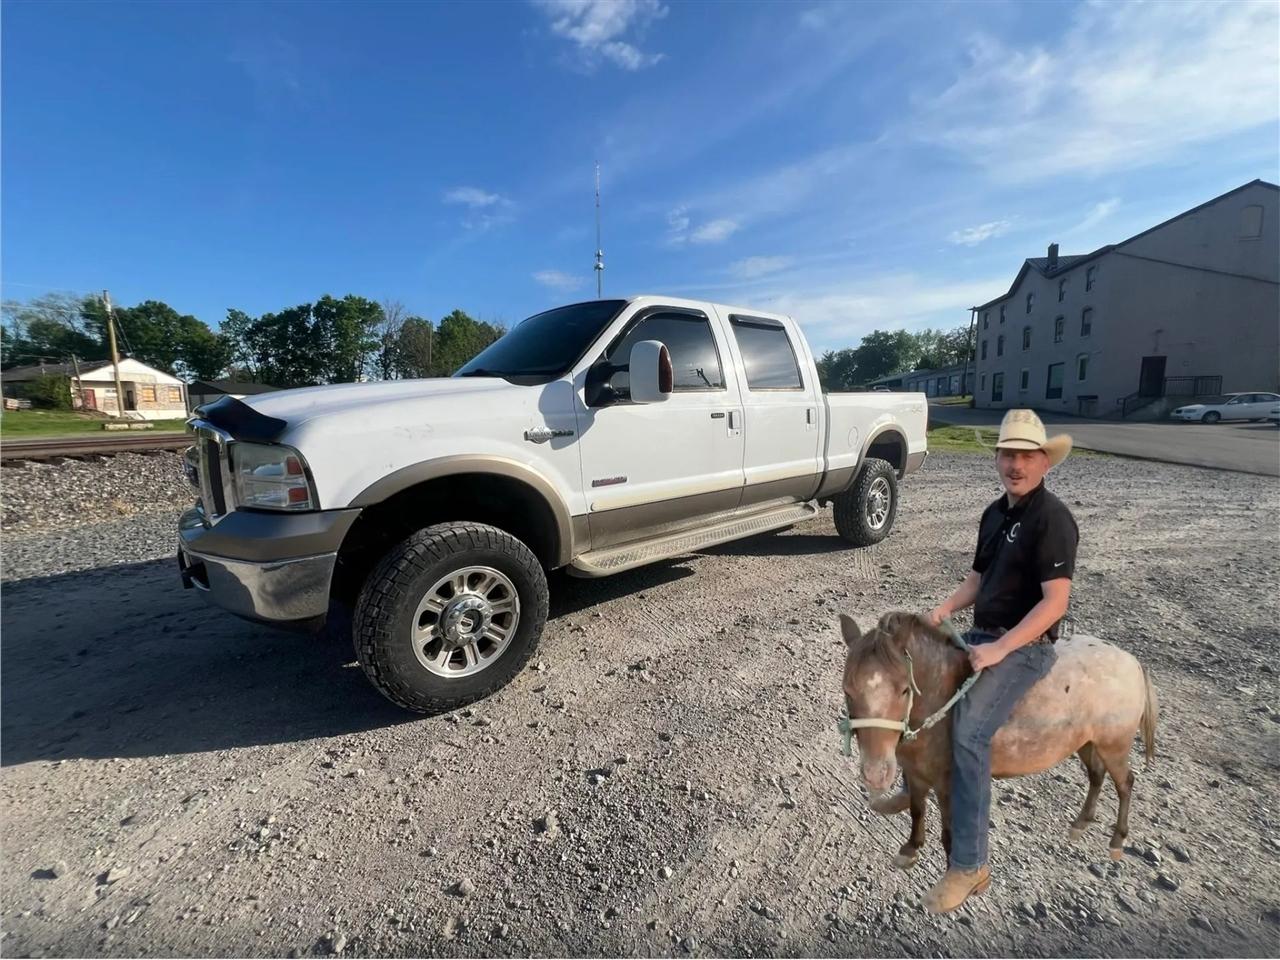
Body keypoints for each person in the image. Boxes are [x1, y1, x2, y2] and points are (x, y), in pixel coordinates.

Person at [878, 408, 1078, 913]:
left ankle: (969, 866)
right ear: (997, 460)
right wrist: (943, 610)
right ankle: (913, 785)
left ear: (1044, 463)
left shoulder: (1051, 519)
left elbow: (1055, 602)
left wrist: (1002, 648)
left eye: (1026, 455)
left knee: (967, 733)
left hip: (1026, 647)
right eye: (1008, 454)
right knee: (914, 684)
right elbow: (977, 581)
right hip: (984, 633)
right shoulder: (995, 514)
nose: (1016, 464)